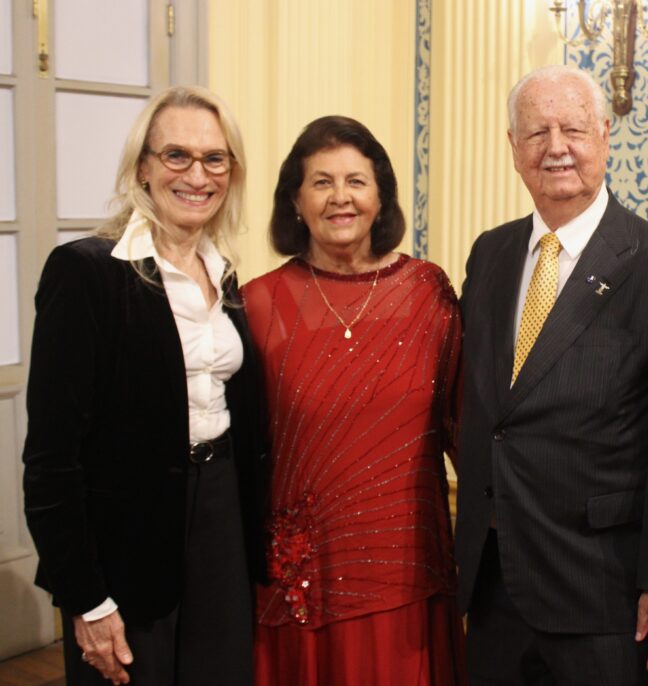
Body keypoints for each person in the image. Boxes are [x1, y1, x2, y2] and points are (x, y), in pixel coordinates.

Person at [455, 64, 648, 685]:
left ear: (603, 134)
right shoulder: (490, 253)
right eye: (536, 132)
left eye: (572, 129)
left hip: (607, 593)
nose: (556, 147)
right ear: (513, 147)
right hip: (494, 583)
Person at [22, 86, 266, 686]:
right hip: (127, 534)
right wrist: (84, 597)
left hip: (220, 513)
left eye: (215, 159)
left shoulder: (223, 272)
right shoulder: (86, 272)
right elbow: (51, 458)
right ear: (143, 168)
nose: (197, 176)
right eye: (177, 155)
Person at [243, 115, 465, 685]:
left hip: (409, 575)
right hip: (305, 584)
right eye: (321, 182)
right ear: (295, 201)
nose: (340, 197)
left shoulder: (428, 293)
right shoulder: (258, 305)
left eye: (356, 181)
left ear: (381, 196)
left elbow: (464, 427)